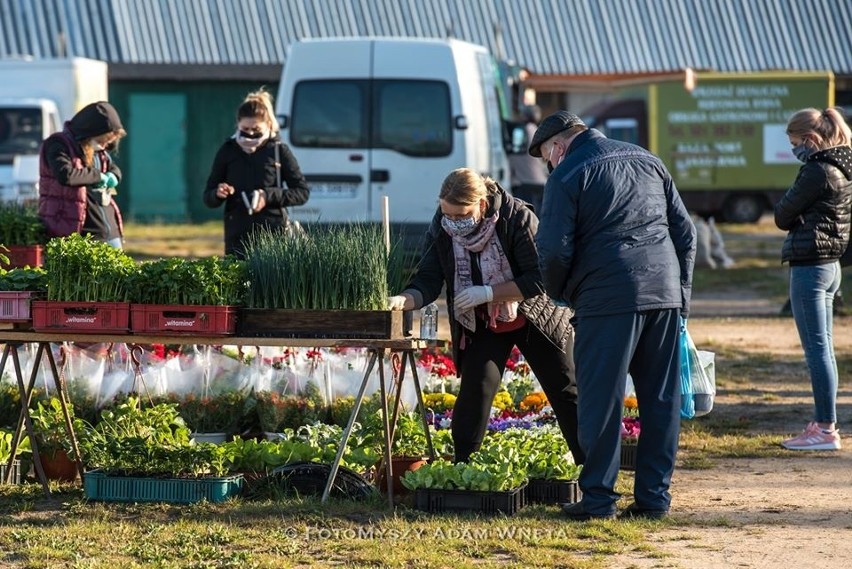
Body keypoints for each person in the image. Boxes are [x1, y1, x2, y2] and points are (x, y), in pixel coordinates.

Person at [532, 111, 696, 521]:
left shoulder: (568, 174)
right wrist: (681, 296)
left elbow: (552, 250)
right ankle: (654, 499)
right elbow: (685, 233)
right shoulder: (648, 159)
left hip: (607, 298)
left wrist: (562, 293)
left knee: (602, 401)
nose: (549, 164)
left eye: (546, 157)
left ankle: (599, 500)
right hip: (663, 293)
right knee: (660, 400)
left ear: (558, 146)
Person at [387, 167, 585, 466]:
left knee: (564, 389)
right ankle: (464, 467)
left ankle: (592, 468)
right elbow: (428, 278)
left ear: (481, 204)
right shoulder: (442, 226)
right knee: (475, 391)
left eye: (461, 214)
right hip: (483, 322)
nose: (453, 222)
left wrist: (490, 293)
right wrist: (403, 300)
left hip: (534, 314)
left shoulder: (516, 217)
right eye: (447, 214)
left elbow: (540, 277)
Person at [774, 107, 852, 451]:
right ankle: (825, 422)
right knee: (825, 350)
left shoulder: (817, 171)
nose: (795, 150)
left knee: (817, 351)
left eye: (795, 143)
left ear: (810, 139)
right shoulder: (844, 167)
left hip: (811, 265)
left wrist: (798, 214)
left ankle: (824, 428)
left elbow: (781, 214)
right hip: (831, 264)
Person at [203, 88, 310, 259]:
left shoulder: (278, 150)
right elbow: (208, 196)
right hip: (237, 238)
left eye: (256, 129)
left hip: (274, 237)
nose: (250, 134)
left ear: (268, 125)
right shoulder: (228, 151)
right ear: (238, 124)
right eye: (245, 128)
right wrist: (218, 193)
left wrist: (268, 196)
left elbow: (302, 193)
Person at [38, 101, 127, 248]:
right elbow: (66, 175)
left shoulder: (99, 151)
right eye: (102, 140)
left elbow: (113, 168)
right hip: (78, 230)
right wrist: (98, 176)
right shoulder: (57, 144)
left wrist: (113, 176)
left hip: (109, 230)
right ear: (90, 133)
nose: (104, 146)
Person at [508, 105, 548, 214]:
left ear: (525, 116)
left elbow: (514, 151)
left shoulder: (521, 131)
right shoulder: (536, 130)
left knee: (525, 217)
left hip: (526, 181)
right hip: (540, 181)